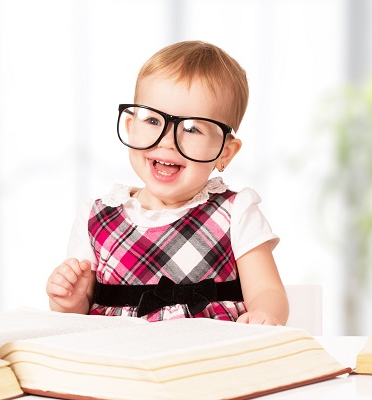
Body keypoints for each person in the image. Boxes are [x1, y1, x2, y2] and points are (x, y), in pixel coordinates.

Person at [46, 40, 289, 325]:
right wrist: (69, 300)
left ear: (225, 151)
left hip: (211, 359)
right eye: (152, 121)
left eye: (192, 128)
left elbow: (267, 290)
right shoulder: (96, 217)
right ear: (130, 126)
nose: (166, 141)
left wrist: (264, 314)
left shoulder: (236, 212)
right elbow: (79, 312)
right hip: (122, 361)